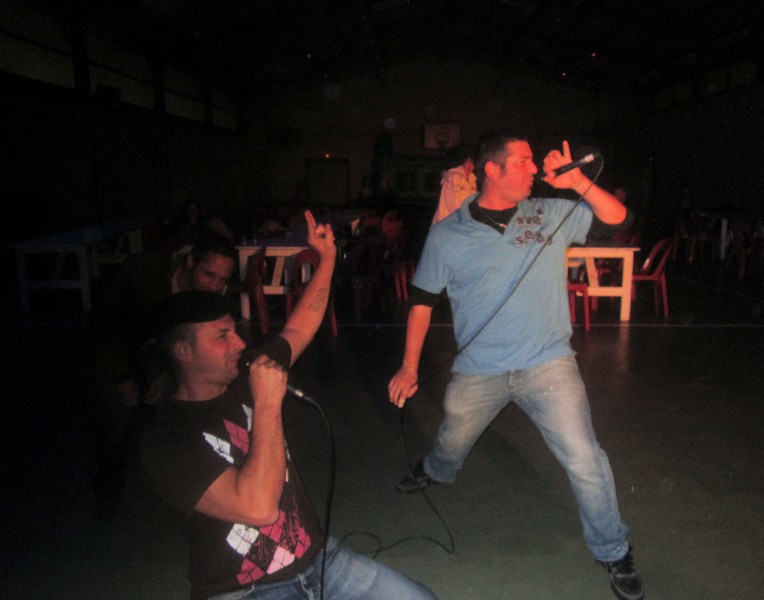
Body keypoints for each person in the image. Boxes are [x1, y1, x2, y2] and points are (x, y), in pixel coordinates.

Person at [387, 131, 643, 600]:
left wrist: (577, 181)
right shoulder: (448, 234)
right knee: (453, 437)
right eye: (523, 161)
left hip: (547, 364)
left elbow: (619, 219)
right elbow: (422, 301)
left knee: (585, 457)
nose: (533, 168)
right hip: (478, 369)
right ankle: (436, 469)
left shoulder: (549, 212)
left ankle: (613, 549)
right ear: (493, 169)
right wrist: (408, 366)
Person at [140, 211, 437, 600]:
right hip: (243, 588)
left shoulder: (246, 372)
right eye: (222, 336)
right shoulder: (166, 440)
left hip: (318, 560)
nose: (239, 343)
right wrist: (266, 404)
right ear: (183, 351)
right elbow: (258, 508)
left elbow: (298, 327)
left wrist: (327, 260)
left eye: (234, 331)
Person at [90, 230, 237, 509]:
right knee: (116, 420)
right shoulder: (144, 274)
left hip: (154, 355)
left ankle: (170, 490)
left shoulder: (204, 296)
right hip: (115, 349)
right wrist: (122, 379)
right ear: (190, 261)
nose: (215, 286)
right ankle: (106, 493)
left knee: (166, 412)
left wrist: (165, 373)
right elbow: (104, 325)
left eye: (222, 280)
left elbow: (178, 341)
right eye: (209, 275)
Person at [431, 151, 477, 224]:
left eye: (473, 163)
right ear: (462, 162)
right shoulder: (454, 177)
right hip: (448, 222)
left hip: (462, 221)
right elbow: (453, 205)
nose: (470, 166)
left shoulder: (472, 179)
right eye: (468, 162)